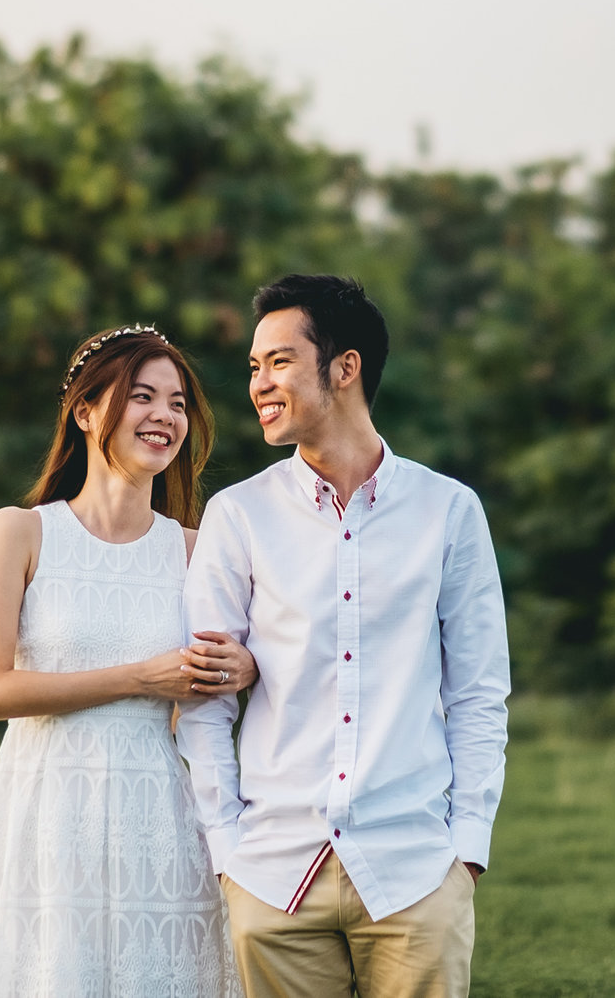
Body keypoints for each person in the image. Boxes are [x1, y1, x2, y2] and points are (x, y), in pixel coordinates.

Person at [180, 275, 512, 998]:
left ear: (345, 367)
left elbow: (480, 691)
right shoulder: (238, 516)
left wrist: (467, 850)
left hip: (416, 870)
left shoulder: (449, 511)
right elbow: (204, 696)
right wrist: (227, 848)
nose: (259, 384)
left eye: (278, 361)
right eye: (253, 367)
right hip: (273, 873)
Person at [0, 325, 257, 998]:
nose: (164, 415)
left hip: (162, 812)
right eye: (142, 395)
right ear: (86, 411)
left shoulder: (195, 549)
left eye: (178, 402)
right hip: (49, 805)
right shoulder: (20, 531)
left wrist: (245, 667)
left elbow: (256, 663)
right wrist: (141, 678)